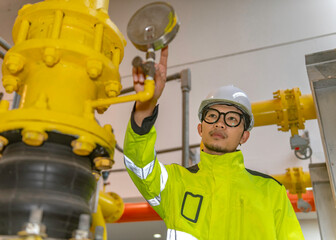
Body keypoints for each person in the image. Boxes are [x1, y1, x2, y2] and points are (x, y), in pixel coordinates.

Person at [123, 47, 304, 240]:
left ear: (244, 136)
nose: (219, 122)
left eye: (232, 119)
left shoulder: (271, 192)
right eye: (212, 115)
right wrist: (145, 106)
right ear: (200, 128)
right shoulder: (175, 184)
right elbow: (139, 164)